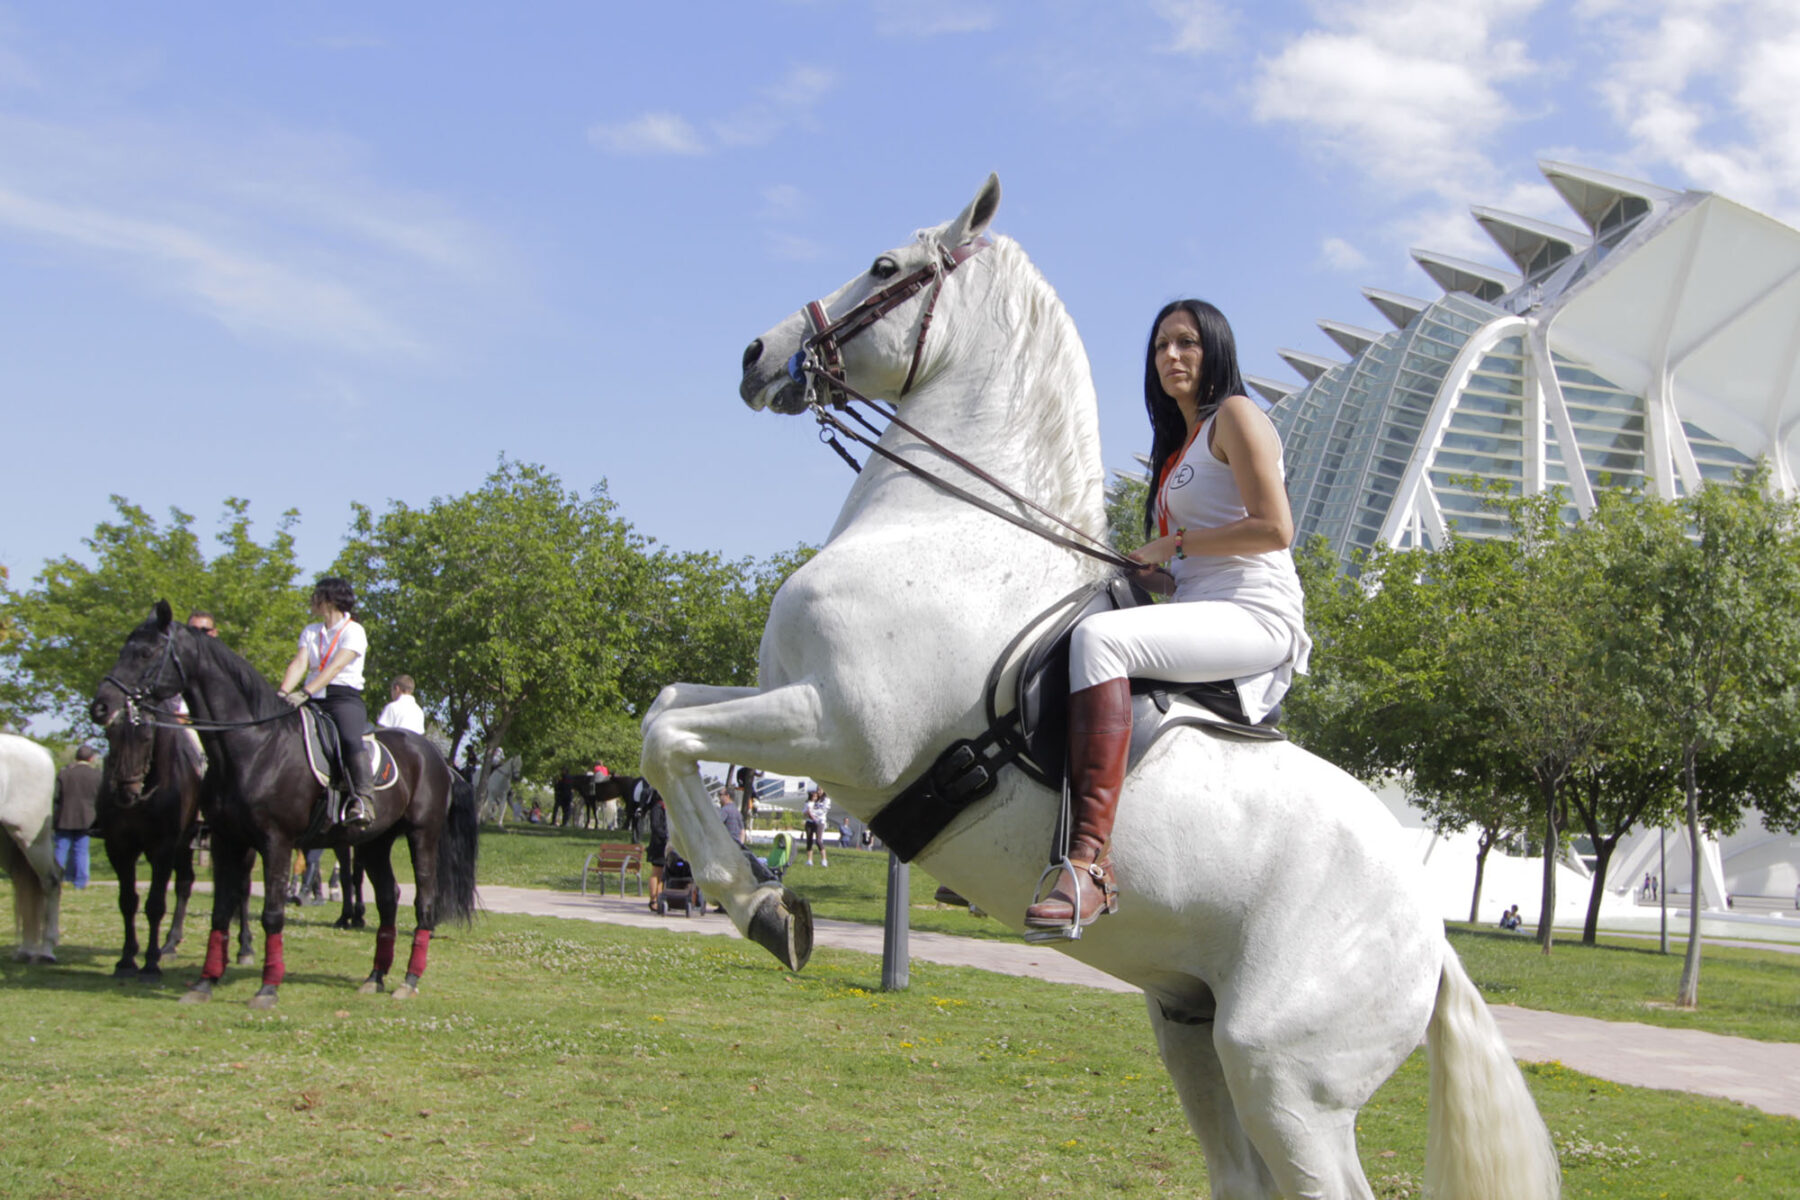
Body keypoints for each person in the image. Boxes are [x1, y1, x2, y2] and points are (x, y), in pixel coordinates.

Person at [1024, 300, 1312, 935]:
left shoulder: (1236, 416)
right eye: (1160, 347)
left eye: (1187, 343)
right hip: (1202, 602)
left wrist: (1175, 547)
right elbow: (1186, 563)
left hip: (1255, 612)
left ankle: (1091, 867)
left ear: (1214, 351)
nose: (1172, 357)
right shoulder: (1177, 449)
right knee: (1081, 617)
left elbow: (1275, 528)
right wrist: (1151, 570)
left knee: (1101, 641)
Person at [278, 577, 376, 830]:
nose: (312, 601)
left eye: (316, 596)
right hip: (311, 698)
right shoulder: (311, 631)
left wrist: (306, 691)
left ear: (329, 600)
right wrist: (283, 692)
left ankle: (364, 798)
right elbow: (300, 663)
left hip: (343, 697)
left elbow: (335, 667)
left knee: (349, 738)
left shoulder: (354, 631)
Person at [52, 745, 102, 889]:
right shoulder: (97, 775)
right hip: (87, 818)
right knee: (81, 850)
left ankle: (57, 878)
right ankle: (80, 882)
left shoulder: (64, 773)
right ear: (91, 758)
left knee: (60, 849)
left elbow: (56, 796)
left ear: (76, 757)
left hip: (64, 817)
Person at [803, 788, 830, 867]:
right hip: (809, 822)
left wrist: (813, 815)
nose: (819, 792)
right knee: (809, 840)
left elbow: (823, 811)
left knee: (818, 840)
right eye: (818, 790)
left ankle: (824, 860)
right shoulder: (811, 801)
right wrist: (807, 813)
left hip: (819, 822)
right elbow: (804, 812)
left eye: (821, 790)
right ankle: (809, 860)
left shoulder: (826, 800)